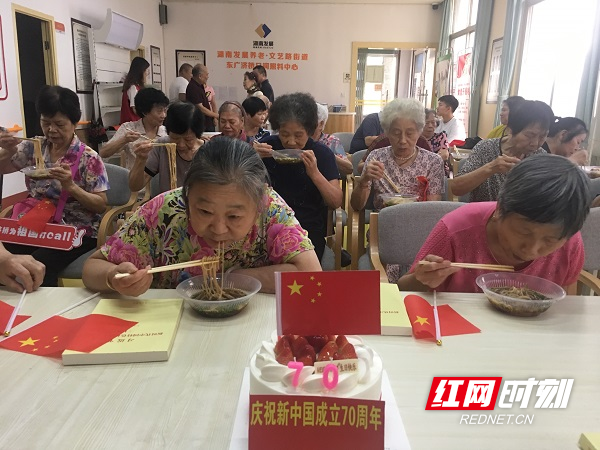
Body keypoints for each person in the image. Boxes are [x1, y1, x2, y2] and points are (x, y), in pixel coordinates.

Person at [82, 137, 321, 296]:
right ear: (187, 196)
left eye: (234, 216)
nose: (218, 228)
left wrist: (230, 279)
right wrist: (114, 278)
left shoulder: (270, 209)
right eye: (204, 211)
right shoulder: (163, 211)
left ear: (258, 204)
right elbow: (92, 268)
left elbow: (311, 276)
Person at [397, 154, 591, 294]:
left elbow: (565, 305)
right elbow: (404, 289)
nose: (532, 250)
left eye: (550, 240)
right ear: (500, 209)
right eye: (524, 232)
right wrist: (423, 279)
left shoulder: (570, 241)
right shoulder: (457, 229)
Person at [0, 85, 108, 286]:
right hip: (37, 224)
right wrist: (8, 150)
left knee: (39, 264)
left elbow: (101, 205)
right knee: (6, 257)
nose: (51, 130)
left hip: (78, 229)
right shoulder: (34, 147)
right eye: (46, 122)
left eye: (59, 124)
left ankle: (41, 309)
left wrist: (71, 186)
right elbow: (3, 167)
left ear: (74, 122)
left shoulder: (89, 158)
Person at [253, 93, 342, 260]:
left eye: (298, 135)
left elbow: (335, 201)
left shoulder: (322, 154)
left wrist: (314, 173)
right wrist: (251, 156)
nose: (291, 142)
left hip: (307, 228)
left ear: (310, 130)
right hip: (268, 225)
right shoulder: (267, 147)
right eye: (284, 134)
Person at [350, 98, 445, 212]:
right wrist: (364, 180)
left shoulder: (433, 161)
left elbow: (431, 210)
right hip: (383, 224)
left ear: (419, 132)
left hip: (419, 224)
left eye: (409, 133)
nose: (403, 140)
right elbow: (356, 206)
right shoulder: (377, 158)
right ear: (387, 133)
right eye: (396, 133)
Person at [452, 100, 555, 202]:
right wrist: (491, 168)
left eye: (542, 136)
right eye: (529, 135)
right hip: (484, 215)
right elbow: (456, 188)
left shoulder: (540, 156)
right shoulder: (486, 148)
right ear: (510, 130)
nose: (535, 143)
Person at [129, 101, 204, 194]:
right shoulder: (162, 146)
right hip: (168, 206)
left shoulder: (208, 151)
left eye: (188, 139)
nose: (181, 144)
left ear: (198, 134)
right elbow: (134, 186)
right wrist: (140, 159)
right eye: (175, 138)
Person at [99, 87, 168, 169]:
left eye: (165, 110)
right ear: (145, 112)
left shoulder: (166, 132)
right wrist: (124, 140)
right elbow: (103, 153)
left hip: (160, 180)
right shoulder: (129, 128)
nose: (163, 115)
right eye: (159, 111)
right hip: (135, 179)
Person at [313, 103, 352, 176]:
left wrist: (327, 153)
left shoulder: (332, 141)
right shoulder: (300, 141)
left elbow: (349, 168)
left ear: (321, 124)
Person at [186, 64, 218, 132]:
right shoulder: (193, 88)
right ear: (200, 76)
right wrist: (217, 115)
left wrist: (215, 117)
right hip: (201, 125)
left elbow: (213, 103)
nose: (207, 77)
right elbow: (201, 108)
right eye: (206, 74)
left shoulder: (200, 86)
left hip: (208, 122)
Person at [120, 57, 150, 124]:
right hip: (132, 124)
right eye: (145, 71)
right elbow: (135, 109)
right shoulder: (133, 87)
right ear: (140, 72)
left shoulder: (137, 86)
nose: (146, 74)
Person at [422, 108, 450, 177]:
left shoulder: (441, 137)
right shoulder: (415, 139)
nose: (430, 126)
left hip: (438, 173)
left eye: (433, 122)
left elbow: (443, 156)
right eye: (427, 123)